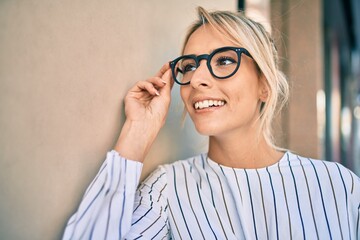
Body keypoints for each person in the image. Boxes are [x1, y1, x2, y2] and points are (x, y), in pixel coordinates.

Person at [63, 7, 360, 240]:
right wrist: (137, 132)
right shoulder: (167, 190)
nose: (197, 79)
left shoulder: (339, 186)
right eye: (189, 66)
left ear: (265, 85)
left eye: (225, 60)